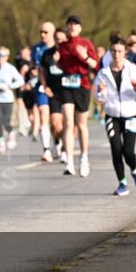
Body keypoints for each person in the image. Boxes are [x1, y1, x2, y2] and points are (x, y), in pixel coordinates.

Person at [93, 37, 136, 195]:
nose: (116, 54)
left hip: (131, 115)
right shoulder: (103, 74)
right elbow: (98, 99)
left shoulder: (134, 71)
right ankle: (122, 183)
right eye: (113, 51)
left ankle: (135, 170)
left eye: (119, 51)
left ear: (125, 53)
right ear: (110, 53)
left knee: (128, 151)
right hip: (112, 115)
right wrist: (101, 91)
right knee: (116, 149)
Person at [58, 16, 99, 176]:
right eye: (69, 24)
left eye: (75, 24)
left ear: (80, 28)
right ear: (66, 28)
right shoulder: (62, 46)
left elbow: (96, 65)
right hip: (67, 85)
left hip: (82, 86)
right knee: (68, 122)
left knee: (81, 124)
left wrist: (85, 56)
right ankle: (69, 161)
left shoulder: (86, 43)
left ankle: (83, 158)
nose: (72, 27)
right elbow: (60, 65)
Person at [0, 47, 25, 154]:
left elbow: (20, 81)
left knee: (6, 121)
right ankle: (1, 143)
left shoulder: (10, 68)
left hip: (7, 98)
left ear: (7, 57)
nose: (0, 58)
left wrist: (10, 86)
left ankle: (11, 134)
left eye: (3, 56)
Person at [40, 29, 68, 162]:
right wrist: (45, 86)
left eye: (62, 39)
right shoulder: (47, 53)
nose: (59, 41)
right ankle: (58, 141)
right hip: (54, 92)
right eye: (57, 39)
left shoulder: (69, 53)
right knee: (56, 124)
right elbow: (42, 70)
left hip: (68, 91)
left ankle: (64, 151)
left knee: (68, 123)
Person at [31, 22, 56, 161]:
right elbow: (34, 66)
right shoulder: (36, 49)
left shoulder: (58, 47)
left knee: (56, 120)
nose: (42, 35)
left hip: (58, 87)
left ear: (52, 32)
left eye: (46, 32)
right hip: (42, 85)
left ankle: (59, 143)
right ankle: (46, 149)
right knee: (42, 112)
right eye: (41, 32)